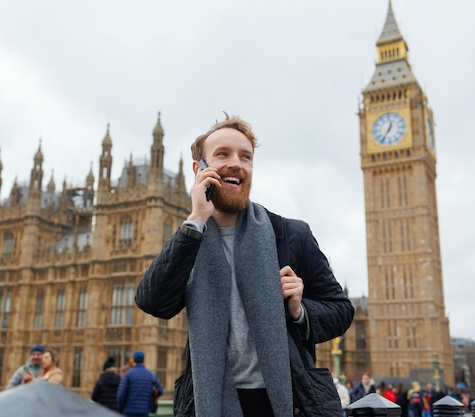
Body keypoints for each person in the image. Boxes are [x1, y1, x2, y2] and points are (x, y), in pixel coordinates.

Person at [136, 114, 355, 417]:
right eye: (222, 154)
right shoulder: (189, 241)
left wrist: (300, 311)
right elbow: (152, 301)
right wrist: (196, 219)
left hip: (288, 403)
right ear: (199, 169)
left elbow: (342, 310)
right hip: (211, 403)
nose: (236, 163)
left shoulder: (291, 236)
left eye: (246, 156)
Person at [117, 350, 163, 417]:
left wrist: (121, 409)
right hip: (144, 411)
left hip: (129, 411)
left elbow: (121, 395)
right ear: (144, 360)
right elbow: (160, 391)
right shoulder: (151, 375)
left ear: (133, 360)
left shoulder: (128, 374)